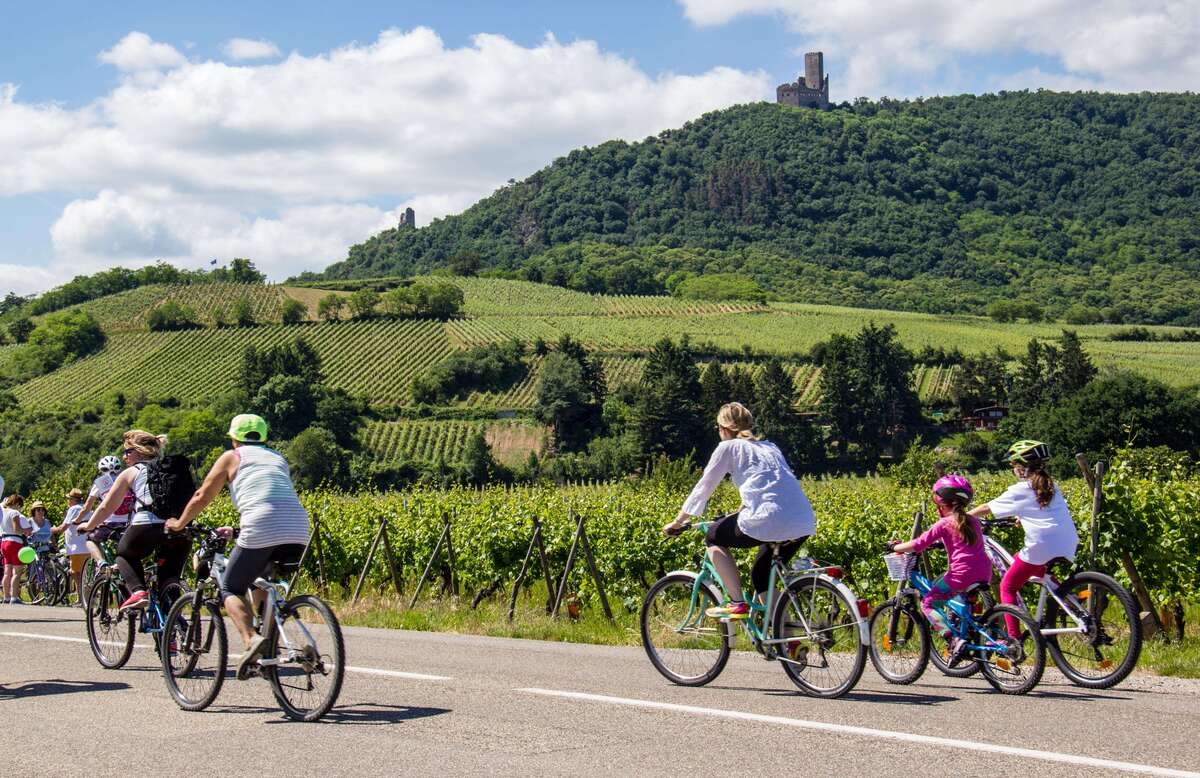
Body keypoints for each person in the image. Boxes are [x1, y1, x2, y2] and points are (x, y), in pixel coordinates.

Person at [166, 414, 311, 679]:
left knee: (231, 586)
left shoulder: (232, 457)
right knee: (261, 582)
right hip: (298, 526)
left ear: (234, 438)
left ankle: (250, 640)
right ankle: (272, 649)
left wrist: (179, 523)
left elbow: (202, 495)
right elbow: (271, 498)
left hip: (261, 523)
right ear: (264, 437)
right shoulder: (277, 458)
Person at [661, 402, 815, 619]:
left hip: (768, 518)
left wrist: (678, 522)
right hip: (802, 520)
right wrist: (740, 511)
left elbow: (704, 487)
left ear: (723, 428)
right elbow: (768, 485)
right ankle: (788, 639)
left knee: (714, 535)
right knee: (761, 574)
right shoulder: (770, 447)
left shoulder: (728, 447)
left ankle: (736, 602)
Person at [970, 439, 1079, 638]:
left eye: (1013, 465)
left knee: (1008, 586)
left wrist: (962, 517)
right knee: (1027, 566)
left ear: (1022, 467)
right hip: (1068, 541)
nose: (1013, 469)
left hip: (1042, 545)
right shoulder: (1050, 485)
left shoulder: (1022, 489)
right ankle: (1071, 602)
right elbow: (1042, 509)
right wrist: (1022, 515)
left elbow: (987, 508)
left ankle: (1014, 639)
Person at [76, 431, 189, 611]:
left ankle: (138, 592)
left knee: (124, 553)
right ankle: (174, 625)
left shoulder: (132, 472)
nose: (124, 456)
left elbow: (107, 507)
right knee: (169, 580)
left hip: (147, 525)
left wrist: (89, 525)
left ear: (140, 451)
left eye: (127, 451)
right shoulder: (172, 469)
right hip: (180, 527)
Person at [889, 475, 991, 663]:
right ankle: (974, 638)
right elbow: (962, 540)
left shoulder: (943, 523)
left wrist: (895, 547)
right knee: (963, 602)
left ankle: (953, 640)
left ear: (940, 503)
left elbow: (919, 544)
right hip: (984, 572)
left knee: (928, 603)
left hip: (961, 575)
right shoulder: (973, 521)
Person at [81, 455, 132, 566]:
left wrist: (77, 520)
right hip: (129, 523)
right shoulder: (127, 478)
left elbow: (87, 507)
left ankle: (101, 562)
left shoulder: (100, 482)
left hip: (108, 524)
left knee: (90, 539)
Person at [51, 488, 89, 604]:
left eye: (68, 499)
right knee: (84, 573)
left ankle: (82, 597)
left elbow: (63, 528)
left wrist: (52, 530)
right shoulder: (87, 508)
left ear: (72, 500)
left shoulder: (73, 509)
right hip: (87, 546)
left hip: (76, 547)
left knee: (74, 572)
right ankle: (84, 597)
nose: (68, 501)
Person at [1, 494, 32, 604]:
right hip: (15, 542)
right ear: (17, 504)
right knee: (17, 572)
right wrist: (27, 530)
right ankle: (14, 597)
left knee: (6, 572)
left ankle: (6, 596)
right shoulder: (14, 513)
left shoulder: (3, 512)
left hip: (4, 542)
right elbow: (17, 529)